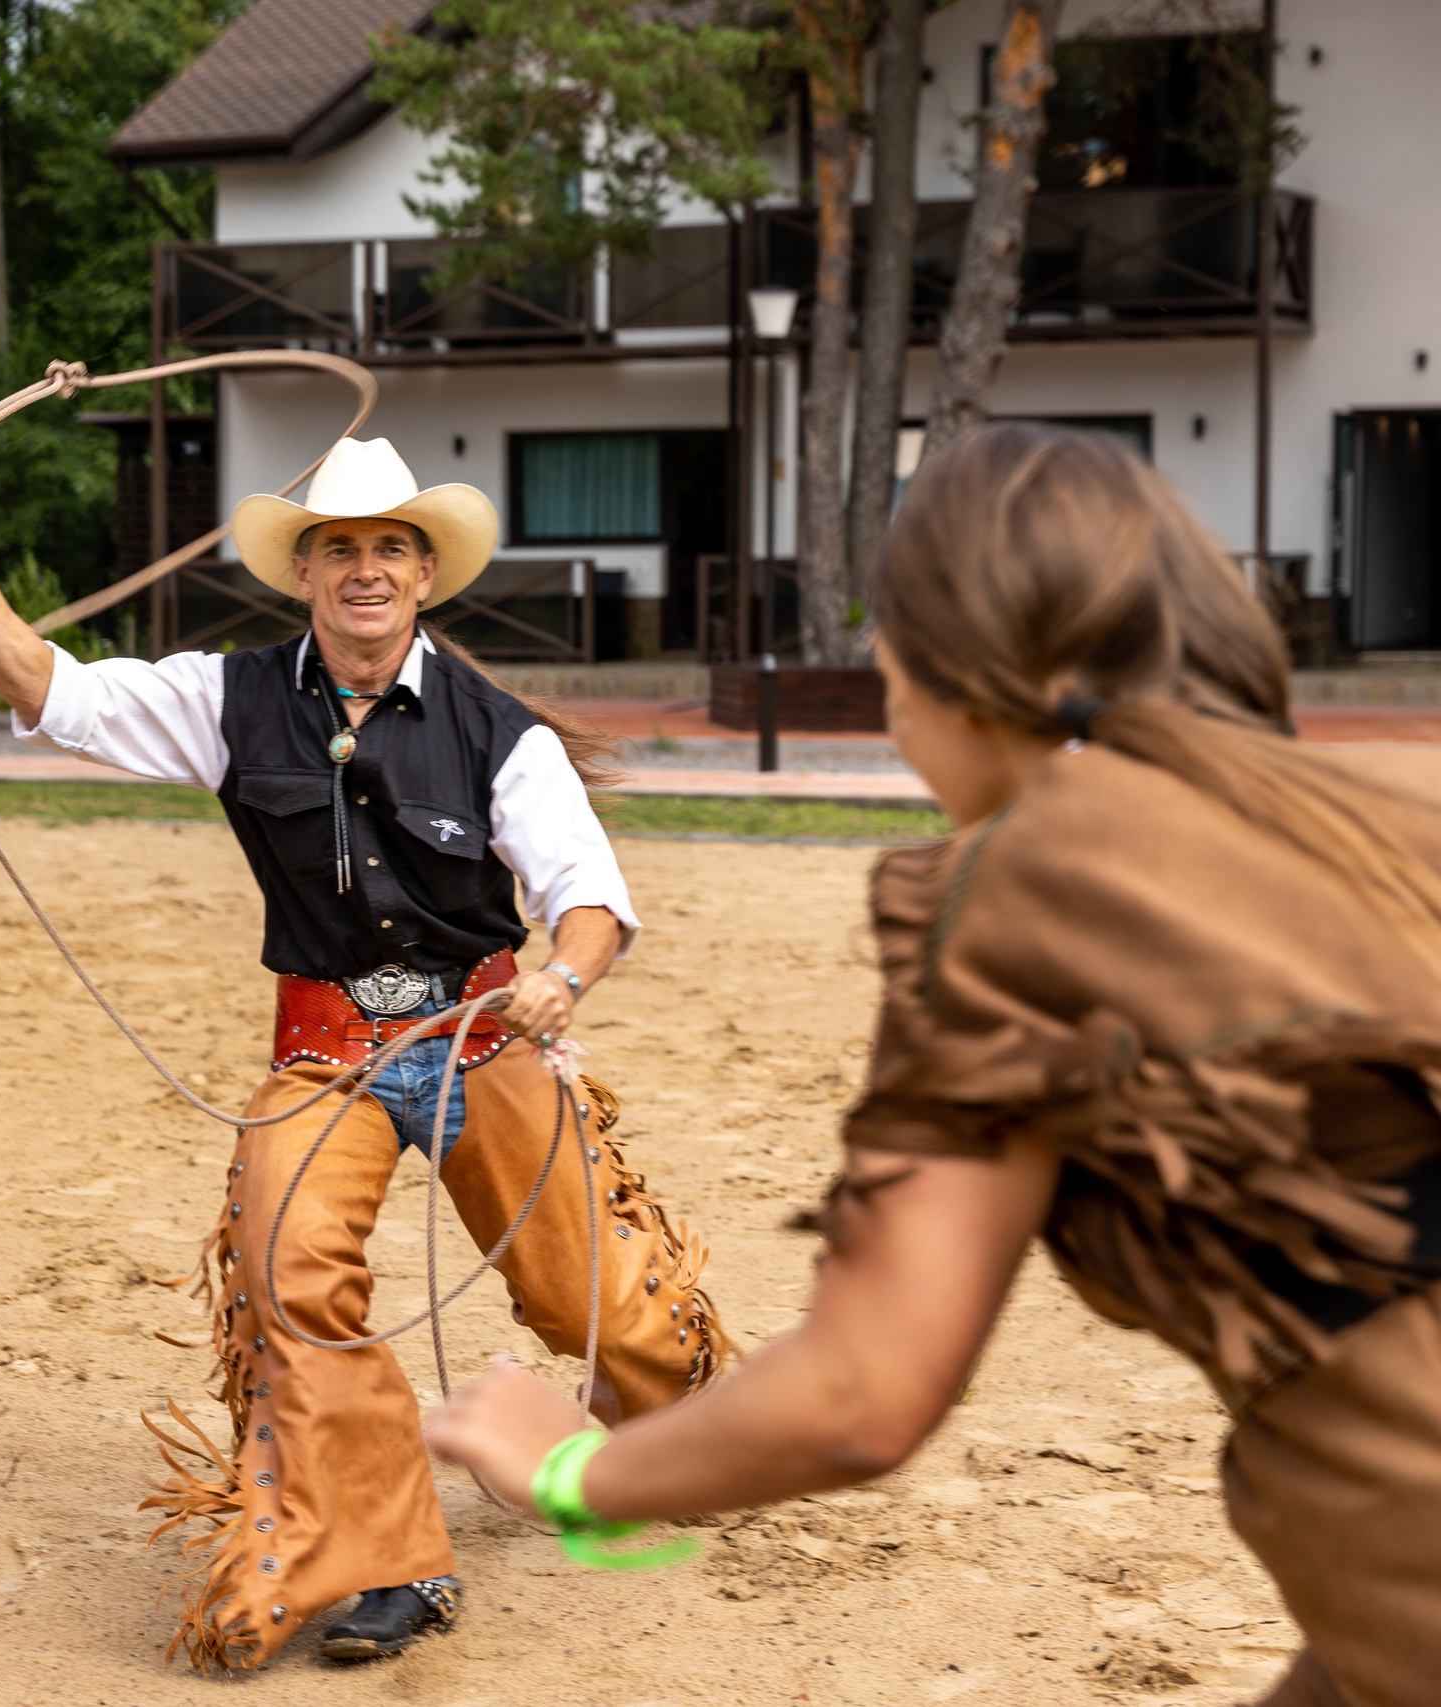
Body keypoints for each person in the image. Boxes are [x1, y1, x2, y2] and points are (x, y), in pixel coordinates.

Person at [427, 422, 1441, 1707]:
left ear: (938, 666)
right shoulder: (1378, 800)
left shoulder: (1023, 895)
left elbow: (863, 1392)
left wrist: (569, 1474)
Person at [0, 436, 727, 1670]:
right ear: (304, 576)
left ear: (426, 576)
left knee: (579, 1294)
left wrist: (564, 974)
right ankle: (392, 1561)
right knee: (285, 1268)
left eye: (390, 547)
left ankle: (688, 1436)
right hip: (323, 1054)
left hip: (480, 1039)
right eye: (340, 549)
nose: (366, 570)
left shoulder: (504, 736)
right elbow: (51, 692)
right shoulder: (226, 700)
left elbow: (587, 897)